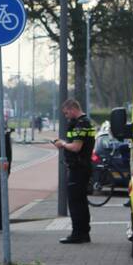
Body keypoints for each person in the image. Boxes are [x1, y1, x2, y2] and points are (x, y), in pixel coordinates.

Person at [52, 98, 96, 244]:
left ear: (72, 109)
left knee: (75, 202)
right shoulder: (84, 123)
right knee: (80, 201)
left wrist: (63, 144)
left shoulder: (81, 124)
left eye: (66, 113)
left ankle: (78, 234)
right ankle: (84, 233)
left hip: (79, 168)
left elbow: (76, 147)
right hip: (82, 166)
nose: (66, 116)